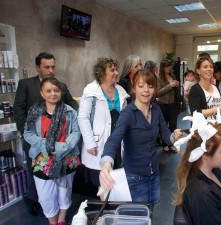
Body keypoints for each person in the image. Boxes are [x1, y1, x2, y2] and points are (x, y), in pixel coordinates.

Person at [99, 69, 182, 205]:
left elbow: (165, 134)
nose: (146, 90)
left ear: (155, 89)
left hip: (154, 174)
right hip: (134, 177)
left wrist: (173, 136)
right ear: (133, 88)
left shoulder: (156, 109)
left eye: (150, 86)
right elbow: (114, 139)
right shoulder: (128, 114)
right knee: (137, 216)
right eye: (141, 86)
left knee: (150, 211)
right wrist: (106, 163)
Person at [13, 52, 78, 216]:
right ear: (38, 68)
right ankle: (37, 204)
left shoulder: (60, 85)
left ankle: (59, 210)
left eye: (53, 67)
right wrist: (29, 136)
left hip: (62, 143)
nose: (50, 70)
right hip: (35, 141)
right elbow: (18, 110)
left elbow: (71, 104)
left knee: (62, 181)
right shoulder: (26, 84)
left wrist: (74, 119)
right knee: (36, 177)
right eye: (46, 67)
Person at [23, 77, 81, 225]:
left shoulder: (70, 112)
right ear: (42, 93)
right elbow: (28, 134)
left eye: (56, 90)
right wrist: (47, 145)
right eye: (48, 91)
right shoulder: (34, 111)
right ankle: (52, 221)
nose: (53, 94)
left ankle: (61, 220)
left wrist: (61, 147)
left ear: (61, 92)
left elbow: (76, 132)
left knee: (64, 192)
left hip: (66, 158)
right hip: (42, 159)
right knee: (45, 197)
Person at [77, 58, 129, 194]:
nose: (116, 73)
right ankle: (105, 211)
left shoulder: (120, 91)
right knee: (102, 181)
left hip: (117, 143)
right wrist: (89, 143)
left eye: (116, 69)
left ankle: (113, 207)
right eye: (112, 70)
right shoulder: (91, 91)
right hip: (98, 143)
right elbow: (83, 118)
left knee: (114, 177)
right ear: (101, 73)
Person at [188, 57, 221, 121]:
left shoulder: (215, 87)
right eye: (205, 67)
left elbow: (218, 107)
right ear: (198, 71)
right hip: (205, 128)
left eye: (211, 67)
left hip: (218, 126)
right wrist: (216, 109)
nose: (209, 69)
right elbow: (195, 113)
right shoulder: (195, 89)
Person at [157, 59, 181, 153]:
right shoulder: (159, 78)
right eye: (167, 66)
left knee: (173, 125)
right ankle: (165, 144)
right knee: (164, 125)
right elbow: (158, 92)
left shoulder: (173, 76)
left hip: (173, 104)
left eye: (170, 66)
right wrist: (170, 85)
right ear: (163, 68)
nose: (169, 68)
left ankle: (172, 144)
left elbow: (176, 90)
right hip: (163, 104)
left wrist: (177, 85)